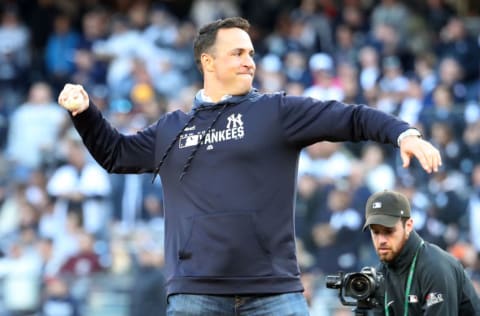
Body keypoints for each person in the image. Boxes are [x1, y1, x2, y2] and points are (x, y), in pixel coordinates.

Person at [58, 17, 442, 315]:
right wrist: (85, 113)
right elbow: (116, 155)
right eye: (238, 53)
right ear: (208, 61)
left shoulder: (275, 111)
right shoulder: (172, 128)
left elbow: (351, 118)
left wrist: (403, 133)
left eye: (251, 54)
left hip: (273, 290)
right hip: (195, 291)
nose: (249, 62)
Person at [363, 190, 480, 315]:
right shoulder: (380, 273)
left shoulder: (435, 267)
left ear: (408, 226)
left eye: (389, 231)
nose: (381, 240)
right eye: (375, 232)